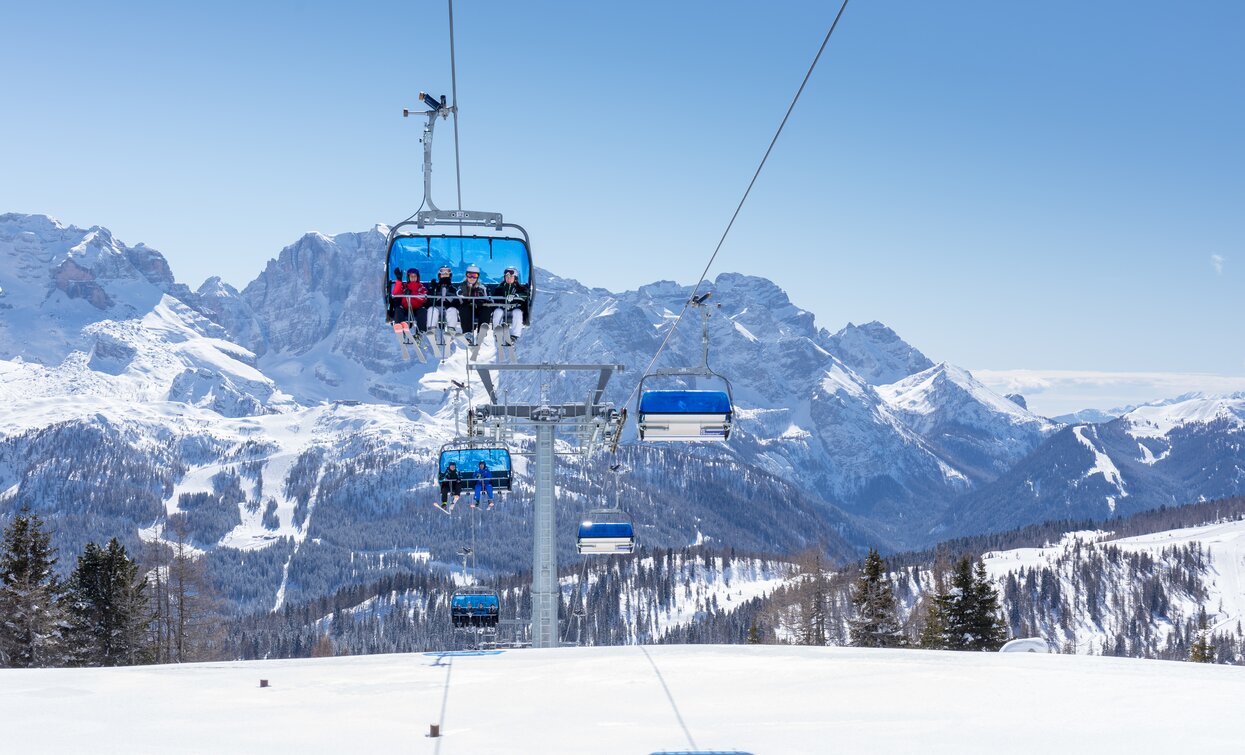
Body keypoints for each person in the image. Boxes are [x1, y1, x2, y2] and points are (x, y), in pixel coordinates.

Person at [489, 266, 529, 345]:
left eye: (511, 276)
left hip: (513, 310)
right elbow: (495, 298)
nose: (508, 278)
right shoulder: (499, 288)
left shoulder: (520, 288)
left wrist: (516, 296)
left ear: (515, 278)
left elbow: (526, 295)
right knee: (497, 311)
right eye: (506, 276)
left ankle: (514, 336)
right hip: (503, 309)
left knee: (518, 312)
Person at [457, 264, 489, 345]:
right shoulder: (461, 287)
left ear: (477, 277)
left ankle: (481, 333)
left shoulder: (482, 288)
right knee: (464, 308)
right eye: (469, 275)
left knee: (486, 309)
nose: (472, 278)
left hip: (478, 309)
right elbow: (457, 299)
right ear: (466, 276)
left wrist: (483, 301)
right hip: (467, 310)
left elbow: (489, 300)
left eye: (474, 275)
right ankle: (468, 333)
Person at [426, 265, 462, 336]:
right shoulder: (435, 288)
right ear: (439, 276)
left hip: (448, 309)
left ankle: (451, 331)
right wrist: (432, 289)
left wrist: (452, 302)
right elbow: (428, 301)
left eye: (446, 274)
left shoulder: (453, 289)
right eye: (443, 274)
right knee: (431, 309)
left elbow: (458, 303)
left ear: (450, 276)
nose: (445, 276)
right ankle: (432, 331)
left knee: (452, 310)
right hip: (437, 308)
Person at [391, 268, 427, 332]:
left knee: (423, 311)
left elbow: (423, 298)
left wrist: (412, 293)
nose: (413, 278)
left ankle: (420, 333)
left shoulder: (421, 288)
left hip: (417, 309)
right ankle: (400, 329)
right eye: (411, 276)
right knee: (398, 310)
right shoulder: (404, 287)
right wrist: (399, 280)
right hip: (406, 308)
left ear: (418, 277)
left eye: (415, 276)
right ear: (408, 277)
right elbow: (396, 293)